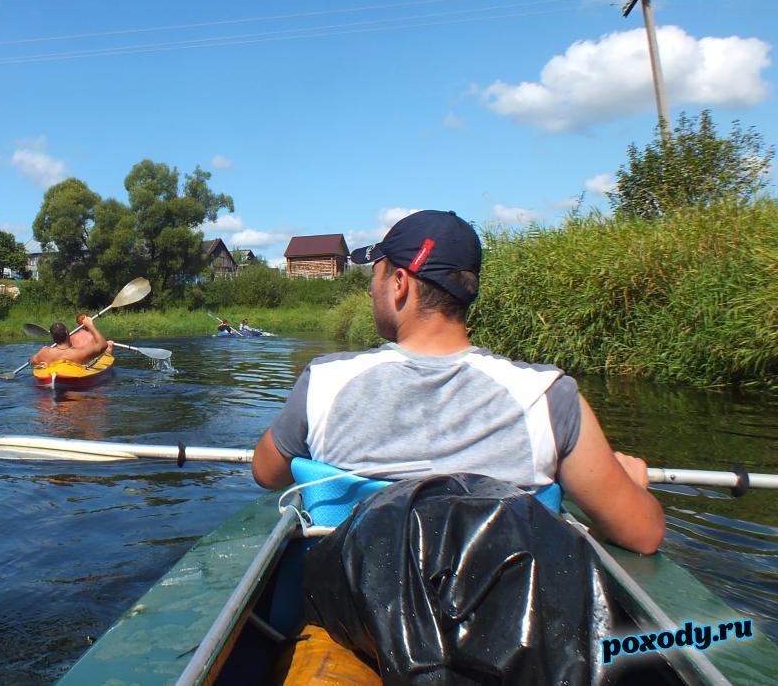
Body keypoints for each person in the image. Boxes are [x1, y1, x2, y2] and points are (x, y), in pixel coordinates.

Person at [251, 209, 664, 555]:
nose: (371, 292)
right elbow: (643, 535)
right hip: (499, 621)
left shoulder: (324, 382)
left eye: (376, 276)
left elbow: (267, 473)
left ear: (399, 284)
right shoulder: (548, 397)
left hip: (356, 616)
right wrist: (631, 485)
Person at [30, 314, 113, 367]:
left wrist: (41, 363)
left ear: (53, 337)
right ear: (67, 332)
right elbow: (103, 345)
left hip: (53, 380)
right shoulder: (80, 353)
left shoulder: (44, 352)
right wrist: (91, 326)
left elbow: (31, 361)